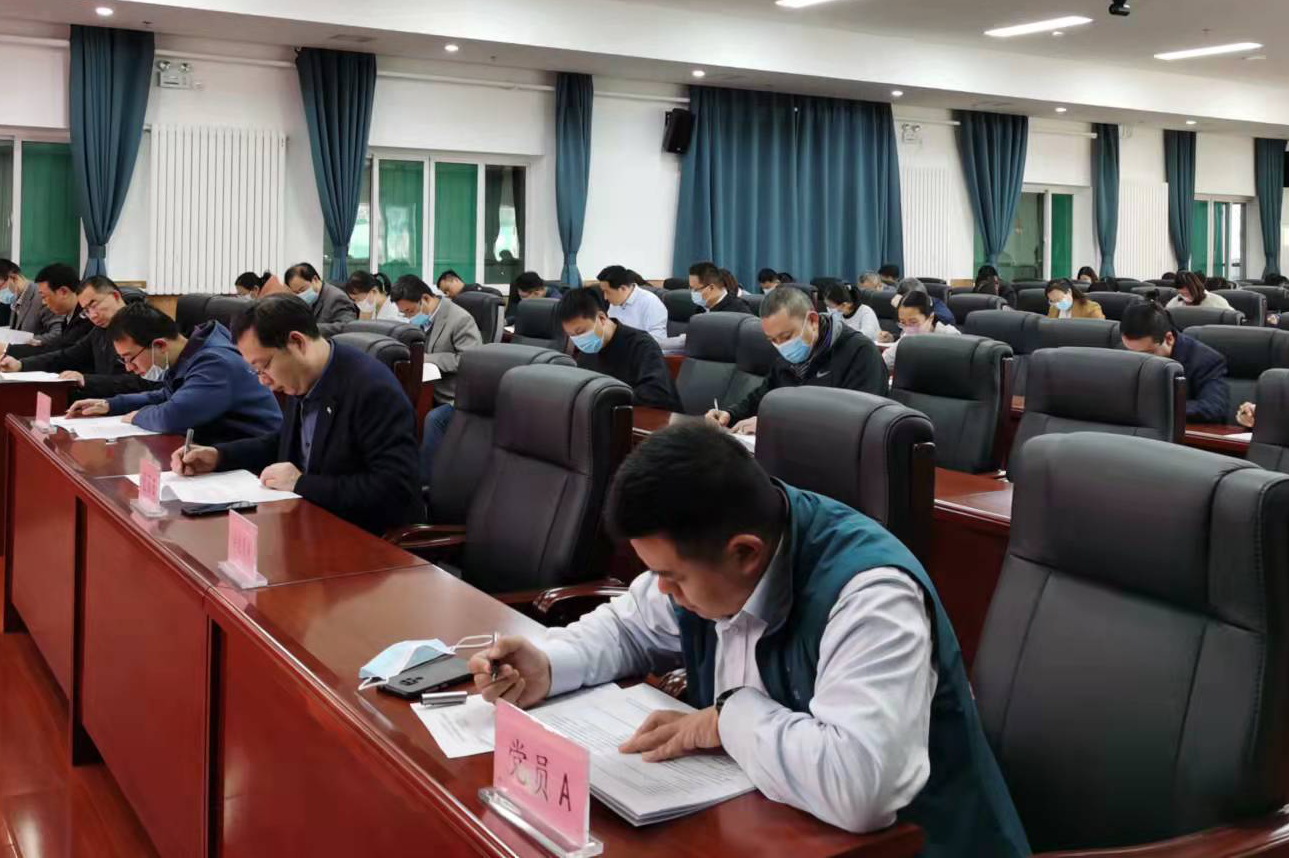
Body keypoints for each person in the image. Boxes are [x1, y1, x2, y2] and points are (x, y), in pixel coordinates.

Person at [468, 424, 1030, 854]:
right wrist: (549, 663)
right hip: (772, 830)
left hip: (920, 846)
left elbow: (860, 788)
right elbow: (627, 625)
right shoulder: (708, 551)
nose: (662, 591)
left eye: (672, 577)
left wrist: (726, 718)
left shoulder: (869, 595)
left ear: (744, 553)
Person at [170, 295, 421, 533]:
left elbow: (392, 490)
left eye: (264, 367)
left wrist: (301, 483)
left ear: (297, 343)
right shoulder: (302, 377)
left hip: (362, 538)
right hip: (308, 522)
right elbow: (284, 443)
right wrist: (218, 456)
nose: (263, 381)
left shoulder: (371, 389)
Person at [62, 302, 281, 444]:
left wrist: (138, 416)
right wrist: (111, 404)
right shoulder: (186, 356)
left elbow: (173, 415)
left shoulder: (215, 363)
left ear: (159, 345)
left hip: (254, 461)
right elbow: (166, 396)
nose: (128, 367)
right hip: (216, 448)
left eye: (130, 358)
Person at [707, 285, 888, 434]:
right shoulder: (787, 358)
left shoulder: (860, 352)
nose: (781, 346)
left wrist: (775, 425)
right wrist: (730, 415)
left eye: (786, 336)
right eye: (773, 340)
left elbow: (858, 423)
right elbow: (763, 396)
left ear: (813, 321)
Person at [0, 276, 157, 397]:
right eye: (86, 311)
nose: (92, 315)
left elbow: (147, 383)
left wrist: (86, 380)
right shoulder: (100, 329)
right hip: (103, 402)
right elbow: (68, 355)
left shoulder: (144, 324)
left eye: (94, 305)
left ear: (115, 296)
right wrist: (21, 364)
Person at [391, 274, 483, 483]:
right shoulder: (420, 319)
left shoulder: (459, 319)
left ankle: (423, 483)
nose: (408, 317)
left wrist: (427, 359)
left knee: (433, 420)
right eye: (403, 313)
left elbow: (470, 360)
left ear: (425, 298)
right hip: (427, 388)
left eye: (410, 311)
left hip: (454, 395)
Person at [558, 288, 679, 409]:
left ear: (601, 318)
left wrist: (606, 401)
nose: (579, 339)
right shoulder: (587, 352)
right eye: (571, 335)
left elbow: (657, 395)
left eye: (580, 332)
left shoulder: (641, 345)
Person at [1120, 302, 1231, 424]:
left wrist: (1154, 408)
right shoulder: (1122, 350)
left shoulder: (1205, 360)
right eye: (1130, 351)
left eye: (1146, 354)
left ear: (1169, 339)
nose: (1136, 359)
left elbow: (1213, 408)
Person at [0, 264, 89, 363]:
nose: (43, 302)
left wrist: (9, 351)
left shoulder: (86, 318)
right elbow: (57, 348)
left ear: (63, 292)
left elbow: (61, 353)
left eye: (44, 297)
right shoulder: (69, 317)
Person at [0, 259, 64, 343]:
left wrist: (21, 343)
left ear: (14, 277)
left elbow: (58, 334)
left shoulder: (42, 296)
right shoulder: (16, 298)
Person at [600, 265, 679, 352]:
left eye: (607, 292)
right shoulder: (615, 303)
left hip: (643, 355)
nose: (605, 297)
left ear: (622, 288)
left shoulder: (651, 303)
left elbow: (656, 342)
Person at [881, 290, 960, 371]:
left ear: (930, 317)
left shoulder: (951, 336)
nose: (908, 328)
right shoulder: (907, 337)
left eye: (913, 322)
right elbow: (883, 362)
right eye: (903, 323)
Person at [273, 262, 359, 326]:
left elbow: (346, 326)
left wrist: (310, 331)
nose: (300, 295)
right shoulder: (305, 300)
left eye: (302, 289)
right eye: (296, 292)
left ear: (315, 279)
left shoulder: (337, 297)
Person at [689, 262, 754, 315]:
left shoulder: (738, 310)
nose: (692, 293)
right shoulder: (701, 309)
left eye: (695, 289)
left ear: (711, 288)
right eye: (690, 288)